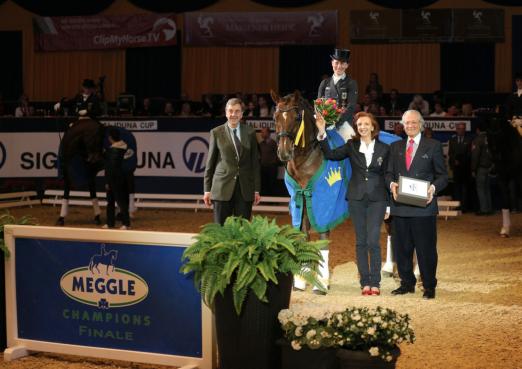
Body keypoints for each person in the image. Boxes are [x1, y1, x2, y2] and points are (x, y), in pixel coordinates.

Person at [316, 111, 390, 296]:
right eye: (359, 125)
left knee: (373, 240)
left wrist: (389, 204)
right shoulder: (351, 145)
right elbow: (331, 155)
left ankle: (376, 282)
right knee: (361, 241)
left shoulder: (384, 148)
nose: (362, 127)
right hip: (356, 199)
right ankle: (365, 282)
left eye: (366, 124)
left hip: (378, 199)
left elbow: (388, 176)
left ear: (373, 126)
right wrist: (322, 132)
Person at [386, 110, 448, 299]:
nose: (410, 126)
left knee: (426, 249)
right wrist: (391, 184)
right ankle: (406, 283)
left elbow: (443, 175)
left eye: (414, 122)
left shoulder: (433, 146)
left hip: (424, 208)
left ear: (421, 124)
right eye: (407, 123)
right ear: (402, 125)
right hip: (400, 206)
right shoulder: (395, 146)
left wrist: (433, 188)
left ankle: (429, 286)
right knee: (402, 248)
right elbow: (388, 173)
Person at [203, 98, 261, 225]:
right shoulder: (216, 132)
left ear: (241, 114)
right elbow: (210, 162)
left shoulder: (250, 132)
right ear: (226, 112)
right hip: (221, 188)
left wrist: (256, 189)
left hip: (245, 189)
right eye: (230, 111)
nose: (233, 114)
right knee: (221, 229)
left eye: (237, 111)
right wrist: (207, 190)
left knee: (243, 229)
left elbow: (255, 164)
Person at [317, 48, 358, 130]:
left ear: (347, 65)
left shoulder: (351, 83)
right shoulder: (324, 83)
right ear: (332, 63)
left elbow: (351, 107)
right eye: (336, 63)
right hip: (326, 125)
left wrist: (336, 122)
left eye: (342, 63)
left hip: (344, 125)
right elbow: (319, 105)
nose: (339, 66)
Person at [103, 128, 130, 230]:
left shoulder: (113, 151)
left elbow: (110, 167)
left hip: (114, 178)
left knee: (118, 201)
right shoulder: (122, 148)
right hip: (120, 177)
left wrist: (107, 181)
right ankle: (111, 223)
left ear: (110, 138)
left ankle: (125, 223)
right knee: (115, 201)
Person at [471, 120, 493, 216]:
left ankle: (484, 209)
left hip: (481, 167)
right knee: (487, 188)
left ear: (477, 130)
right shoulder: (490, 138)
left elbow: (475, 155)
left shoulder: (478, 139)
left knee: (480, 189)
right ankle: (489, 208)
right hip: (490, 167)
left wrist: (473, 169)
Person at [448, 122, 472, 212]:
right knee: (457, 188)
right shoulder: (452, 140)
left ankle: (464, 207)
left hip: (465, 168)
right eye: (459, 128)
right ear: (456, 129)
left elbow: (470, 154)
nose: (461, 130)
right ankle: (458, 206)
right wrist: (454, 161)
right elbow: (450, 153)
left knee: (465, 188)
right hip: (456, 169)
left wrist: (461, 162)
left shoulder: (469, 140)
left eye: (463, 128)